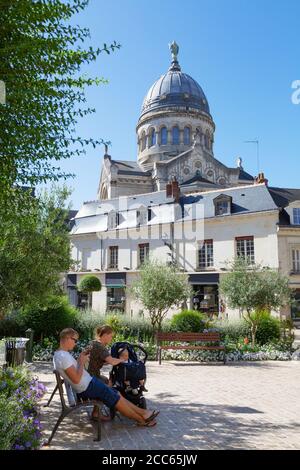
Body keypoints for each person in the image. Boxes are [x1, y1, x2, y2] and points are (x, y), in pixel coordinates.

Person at [53, 328, 159, 427]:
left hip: (89, 383)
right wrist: (81, 362)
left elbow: (75, 373)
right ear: (67, 338)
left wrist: (81, 361)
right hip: (86, 387)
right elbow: (76, 379)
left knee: (116, 393)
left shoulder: (60, 354)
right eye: (75, 340)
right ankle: (141, 420)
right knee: (116, 398)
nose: (75, 343)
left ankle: (144, 413)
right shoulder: (63, 357)